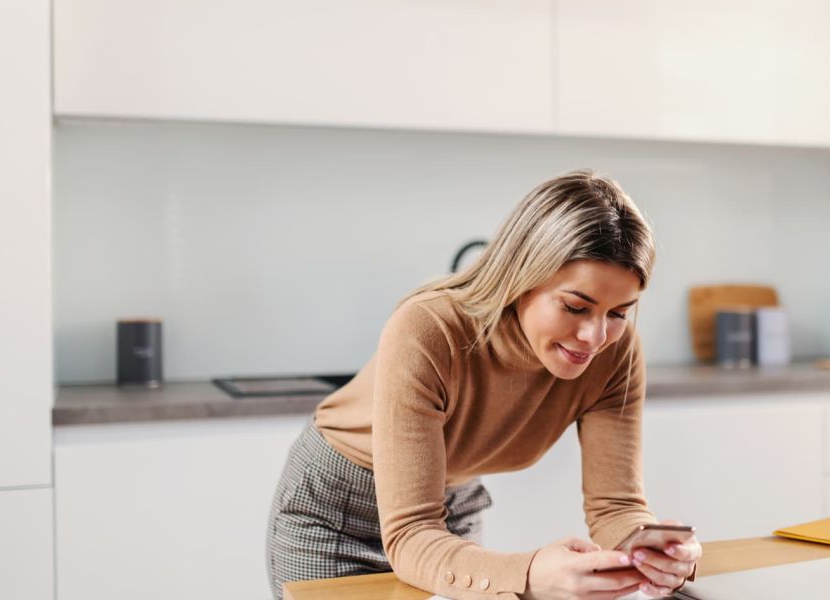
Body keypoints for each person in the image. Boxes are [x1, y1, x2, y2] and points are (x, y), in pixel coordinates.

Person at [267, 170, 701, 600]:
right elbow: (411, 533)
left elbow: (616, 507)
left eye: (619, 313)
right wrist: (530, 573)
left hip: (449, 512)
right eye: (574, 306)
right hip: (337, 509)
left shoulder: (614, 353)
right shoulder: (428, 328)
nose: (595, 336)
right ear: (522, 277)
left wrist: (652, 550)